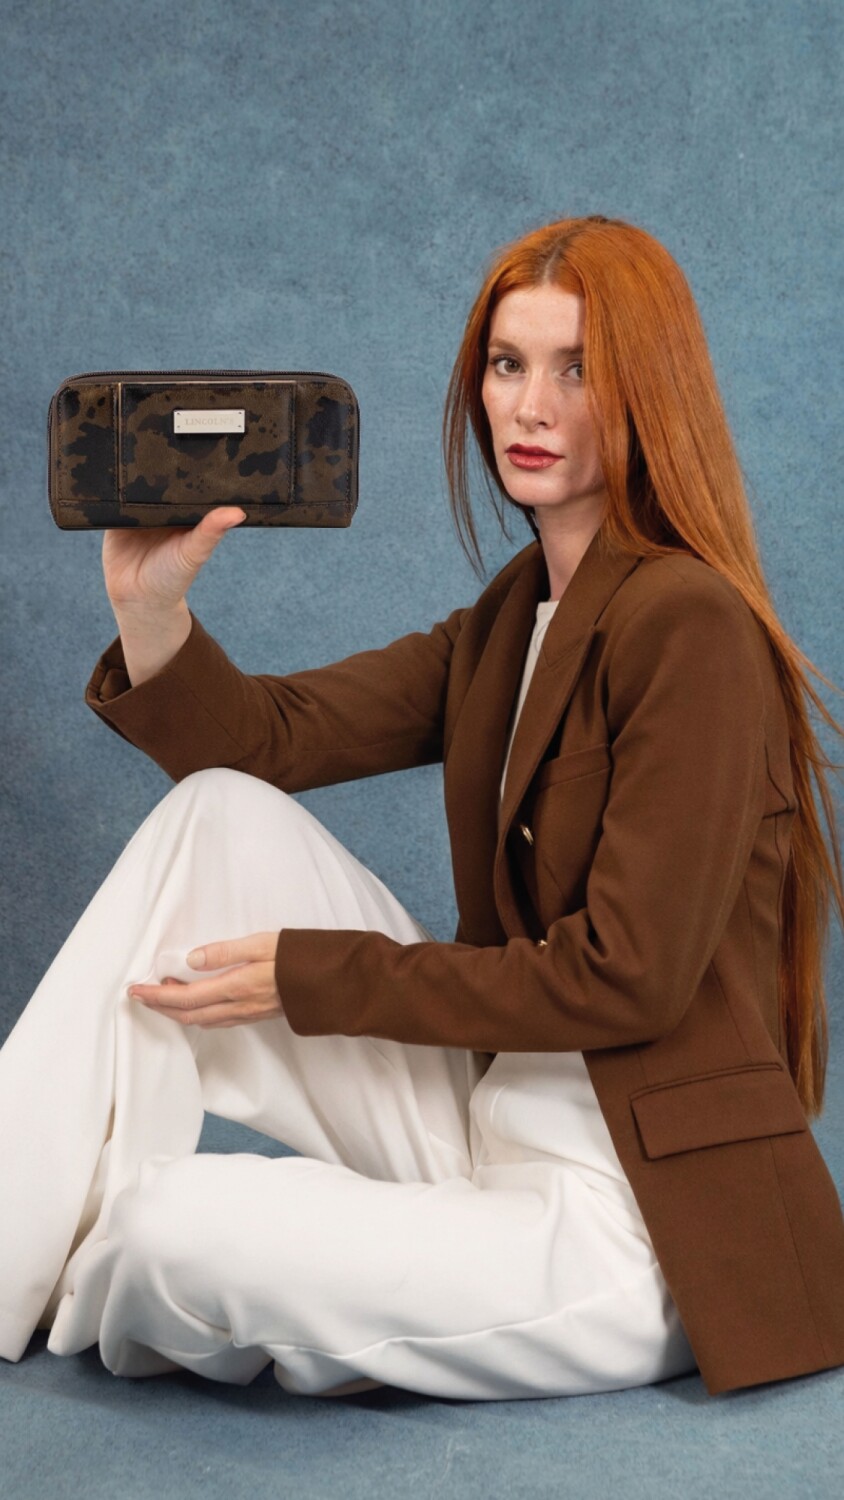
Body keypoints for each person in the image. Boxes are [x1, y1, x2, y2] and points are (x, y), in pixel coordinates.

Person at [1, 214, 842, 1400]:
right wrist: (151, 608)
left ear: (648, 390)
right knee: (218, 816)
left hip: (628, 1219)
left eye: (577, 369)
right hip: (483, 1120)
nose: (529, 407)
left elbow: (628, 981)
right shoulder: (508, 622)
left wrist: (313, 974)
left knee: (165, 1231)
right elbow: (259, 743)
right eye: (507, 364)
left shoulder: (689, 624)